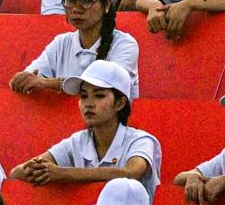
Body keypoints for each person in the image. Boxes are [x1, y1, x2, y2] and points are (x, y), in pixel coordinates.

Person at [9, 61, 160, 190]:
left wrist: (61, 173)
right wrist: (39, 170)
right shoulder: (77, 141)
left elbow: (131, 173)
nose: (88, 104)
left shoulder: (140, 140)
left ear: (120, 103)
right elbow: (17, 173)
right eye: (84, 96)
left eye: (99, 95)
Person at [14, 0, 141, 93]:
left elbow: (103, 89)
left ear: (107, 4)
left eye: (87, 0)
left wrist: (47, 83)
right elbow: (33, 76)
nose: (76, 9)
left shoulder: (124, 44)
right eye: (70, 0)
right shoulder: (61, 43)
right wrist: (24, 81)